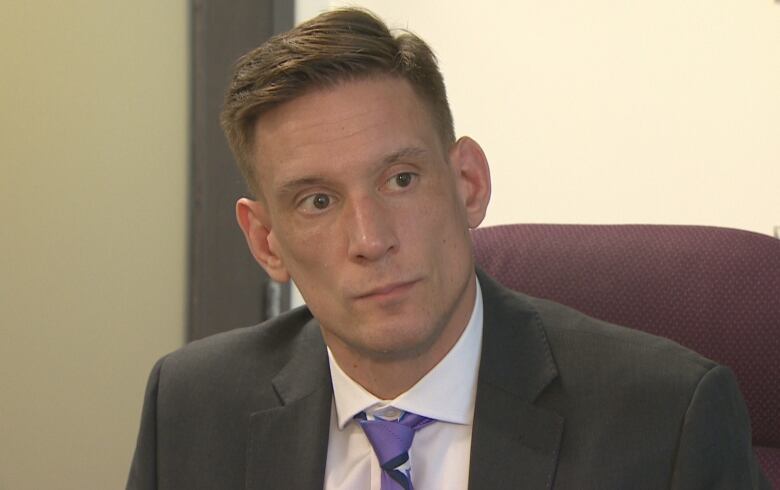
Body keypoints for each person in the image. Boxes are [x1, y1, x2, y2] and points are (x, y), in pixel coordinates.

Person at [127, 8, 769, 490]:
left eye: (400, 180)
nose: (371, 240)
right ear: (267, 241)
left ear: (469, 185)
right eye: (317, 201)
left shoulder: (667, 419)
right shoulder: (191, 405)